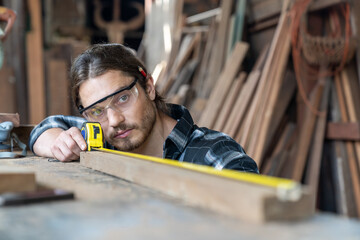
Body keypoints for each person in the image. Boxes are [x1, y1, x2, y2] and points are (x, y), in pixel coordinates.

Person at [29, 43, 258, 173]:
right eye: (97, 111)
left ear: (149, 87)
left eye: (122, 98)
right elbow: (45, 127)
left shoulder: (213, 154)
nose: (114, 120)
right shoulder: (103, 138)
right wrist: (61, 145)